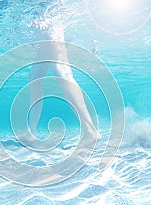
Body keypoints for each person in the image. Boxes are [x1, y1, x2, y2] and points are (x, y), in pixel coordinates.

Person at [18, 2, 101, 147]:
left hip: (53, 40)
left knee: (64, 77)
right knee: (35, 79)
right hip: (45, 44)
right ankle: (30, 132)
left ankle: (90, 130)